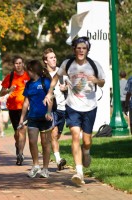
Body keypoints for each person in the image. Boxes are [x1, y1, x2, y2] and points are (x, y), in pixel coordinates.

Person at [44, 36, 105, 185]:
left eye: (84, 48)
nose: (81, 50)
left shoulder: (94, 65)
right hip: (72, 106)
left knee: (87, 140)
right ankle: (79, 172)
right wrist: (49, 92)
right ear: (74, 49)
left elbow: (102, 82)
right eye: (78, 48)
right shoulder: (68, 64)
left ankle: (86, 151)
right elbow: (56, 77)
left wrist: (95, 80)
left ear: (87, 50)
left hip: (90, 106)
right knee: (75, 137)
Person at [19, 60, 53, 178]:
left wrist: (49, 112)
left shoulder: (45, 82)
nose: (27, 72)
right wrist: (22, 118)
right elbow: (26, 102)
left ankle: (45, 169)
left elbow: (50, 98)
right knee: (32, 142)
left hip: (45, 118)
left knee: (45, 143)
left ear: (33, 70)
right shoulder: (28, 84)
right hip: (32, 117)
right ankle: (36, 165)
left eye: (28, 70)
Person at [0, 56, 30, 165]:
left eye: (20, 63)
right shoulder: (10, 76)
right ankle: (18, 146)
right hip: (13, 107)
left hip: (25, 107)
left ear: (23, 64)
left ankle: (21, 154)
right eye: (16, 63)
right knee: (17, 133)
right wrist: (9, 90)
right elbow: (1, 93)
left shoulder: (28, 76)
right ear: (14, 65)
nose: (18, 65)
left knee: (23, 130)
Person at [42, 48, 67, 170]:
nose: (54, 59)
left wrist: (66, 87)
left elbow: (71, 86)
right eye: (51, 58)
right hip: (51, 107)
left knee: (57, 136)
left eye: (55, 57)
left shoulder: (62, 72)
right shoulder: (43, 74)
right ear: (45, 61)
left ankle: (53, 154)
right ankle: (58, 160)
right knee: (54, 133)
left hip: (64, 107)